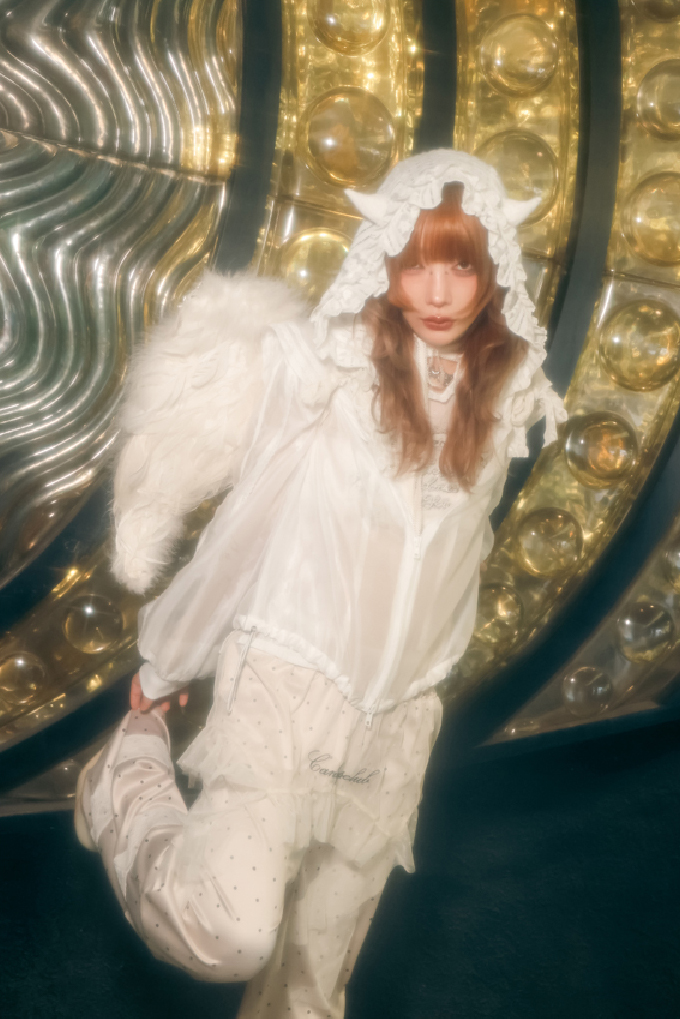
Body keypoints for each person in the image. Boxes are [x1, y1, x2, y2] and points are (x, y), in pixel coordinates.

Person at [75, 149, 565, 1019]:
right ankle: (125, 781)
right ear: (384, 257)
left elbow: (463, 553)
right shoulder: (325, 368)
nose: (439, 291)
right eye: (416, 262)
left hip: (396, 723)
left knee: (307, 986)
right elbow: (247, 527)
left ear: (494, 268)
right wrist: (170, 659)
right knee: (231, 931)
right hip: (287, 689)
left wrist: (428, 676)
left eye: (461, 266)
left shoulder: (508, 391)